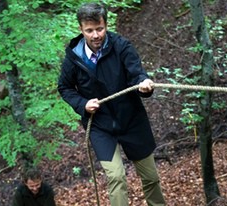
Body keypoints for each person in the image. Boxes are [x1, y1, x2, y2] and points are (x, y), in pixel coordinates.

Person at [57, 2, 166, 206]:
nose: (96, 35)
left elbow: (137, 73)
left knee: (151, 177)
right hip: (100, 126)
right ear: (81, 30)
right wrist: (82, 104)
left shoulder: (121, 46)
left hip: (132, 120)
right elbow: (65, 88)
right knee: (116, 177)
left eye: (99, 28)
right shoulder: (74, 58)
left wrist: (144, 84)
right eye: (89, 30)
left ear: (106, 25)